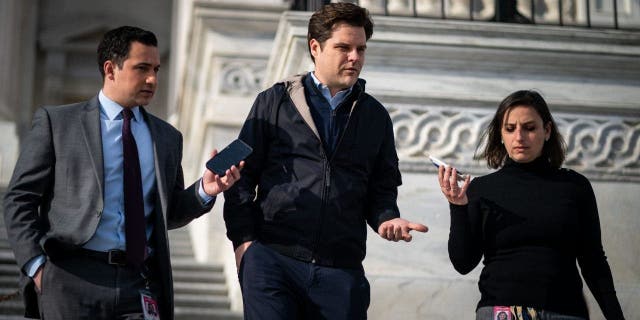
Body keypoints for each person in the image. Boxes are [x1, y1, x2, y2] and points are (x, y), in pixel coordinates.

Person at [3, 26, 242, 320]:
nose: (152, 79)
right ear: (110, 69)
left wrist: (205, 190)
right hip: (69, 278)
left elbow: (169, 214)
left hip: (139, 282)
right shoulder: (58, 123)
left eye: (156, 68)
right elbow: (19, 199)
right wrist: (36, 266)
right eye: (141, 68)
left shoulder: (167, 138)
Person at [223, 3, 428, 319]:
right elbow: (239, 177)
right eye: (344, 47)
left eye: (361, 48)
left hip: (341, 274)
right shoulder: (272, 101)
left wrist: (387, 217)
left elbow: (382, 188)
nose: (355, 57)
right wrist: (244, 245)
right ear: (315, 47)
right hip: (272, 262)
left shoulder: (375, 117)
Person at [437, 90, 625, 320]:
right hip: (502, 312)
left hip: (565, 312)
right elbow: (463, 263)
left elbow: (593, 261)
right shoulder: (481, 189)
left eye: (529, 128)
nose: (519, 137)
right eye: (510, 128)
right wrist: (458, 207)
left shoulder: (574, 186)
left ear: (546, 131)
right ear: (500, 134)